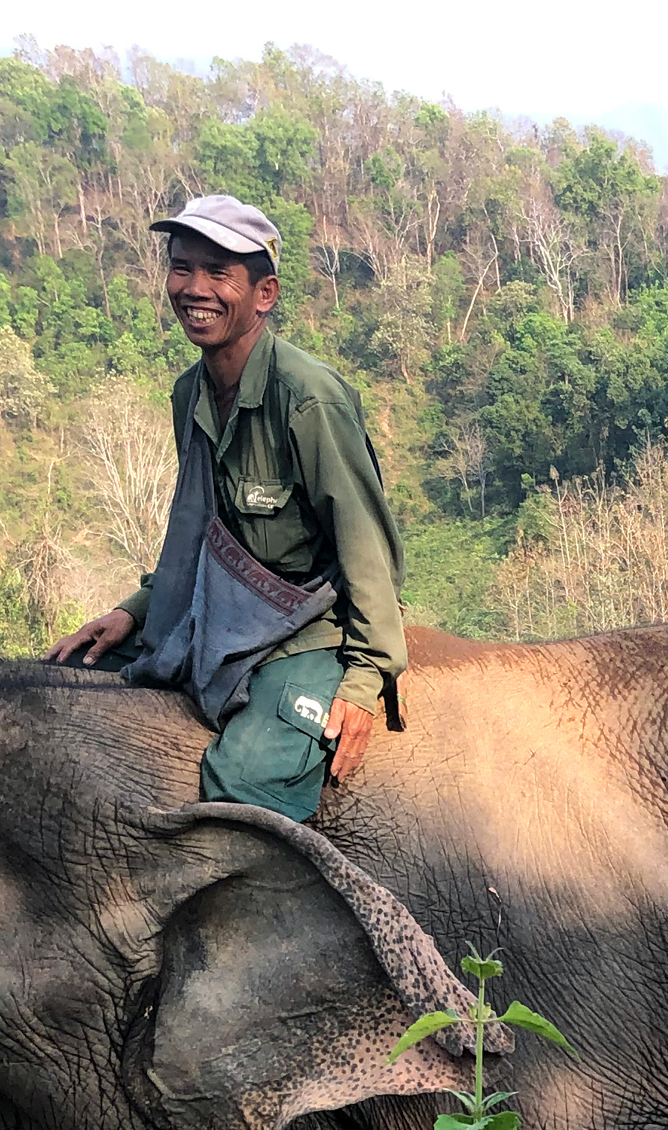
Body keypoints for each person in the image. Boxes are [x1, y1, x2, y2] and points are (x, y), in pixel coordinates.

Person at [48, 195, 406, 820]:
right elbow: (206, 534)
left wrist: (365, 679)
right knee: (66, 677)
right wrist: (135, 610)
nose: (194, 288)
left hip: (307, 626)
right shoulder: (190, 394)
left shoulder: (308, 399)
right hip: (224, 613)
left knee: (244, 787)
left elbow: (368, 548)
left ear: (264, 293)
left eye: (218, 272)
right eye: (181, 267)